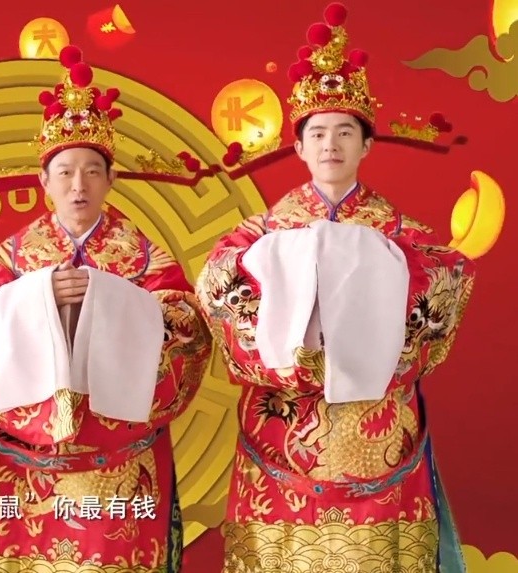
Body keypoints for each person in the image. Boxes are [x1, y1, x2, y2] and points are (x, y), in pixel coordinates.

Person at [194, 4, 475, 573]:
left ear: (366, 145)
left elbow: (446, 285)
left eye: (345, 132)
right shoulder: (256, 237)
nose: (330, 145)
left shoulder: (405, 239)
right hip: (281, 434)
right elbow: (218, 289)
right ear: (299, 147)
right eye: (317, 133)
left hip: (379, 440)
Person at [0, 45, 212, 572]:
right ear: (44, 182)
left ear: (111, 180)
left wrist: (109, 299)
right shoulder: (12, 257)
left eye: (92, 171)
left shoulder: (145, 258)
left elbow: (187, 327)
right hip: (21, 463)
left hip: (117, 462)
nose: (78, 185)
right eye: (64, 171)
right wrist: (36, 295)